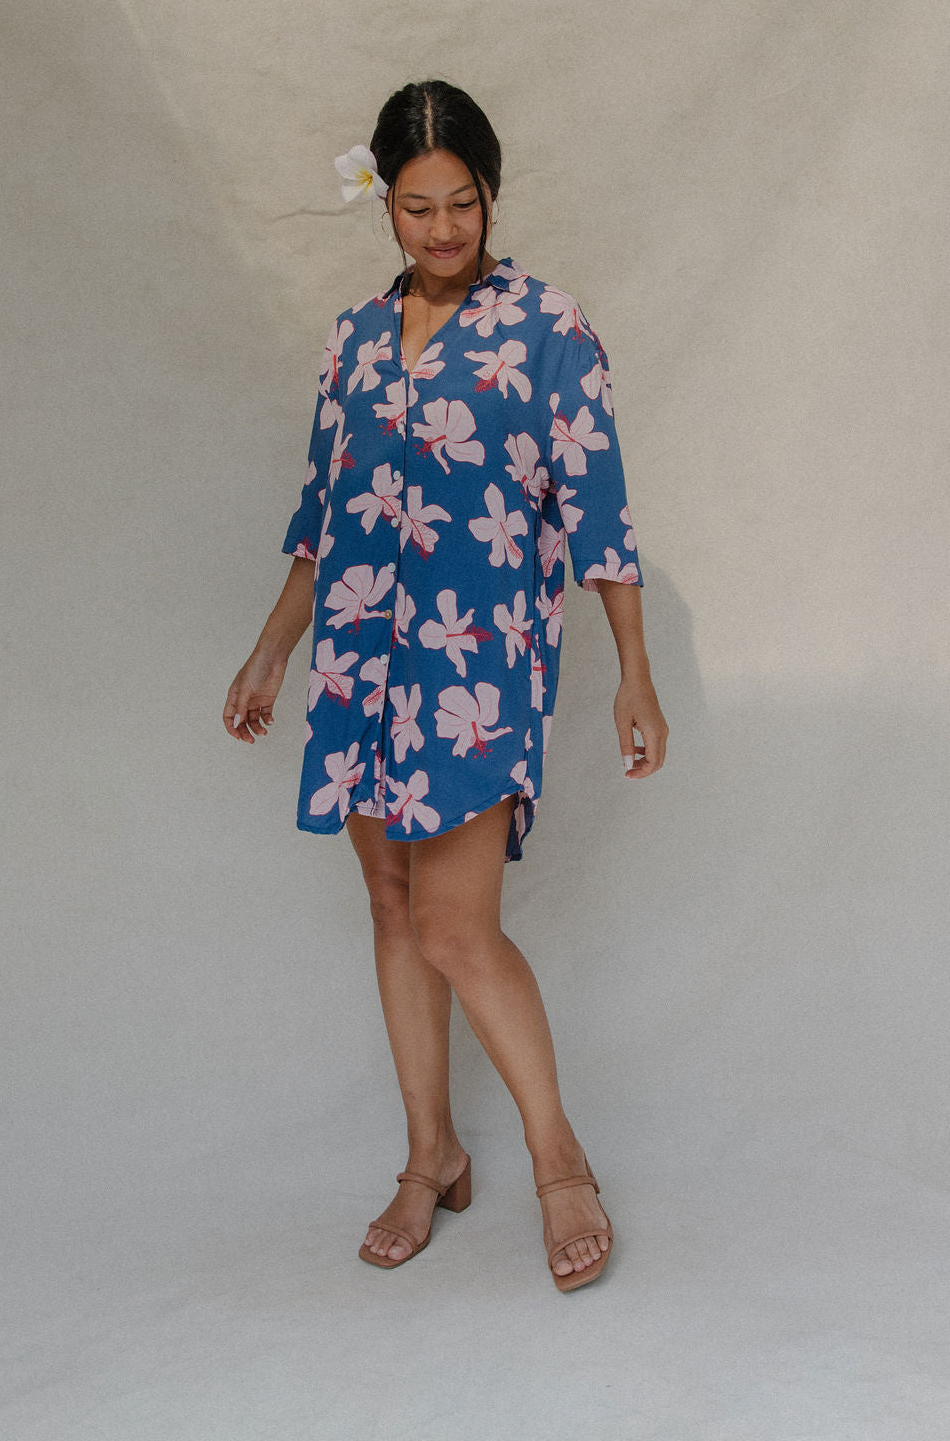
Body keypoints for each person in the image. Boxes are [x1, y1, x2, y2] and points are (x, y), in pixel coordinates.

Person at [223, 80, 667, 1292]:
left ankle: (558, 1159)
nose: (439, 231)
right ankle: (430, 1158)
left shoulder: (548, 327)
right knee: (388, 906)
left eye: (459, 204)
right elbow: (324, 517)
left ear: (491, 193)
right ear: (384, 207)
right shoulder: (353, 340)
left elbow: (602, 517)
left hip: (474, 670)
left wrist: (634, 671)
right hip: (359, 658)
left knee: (456, 927)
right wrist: (272, 651)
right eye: (414, 208)